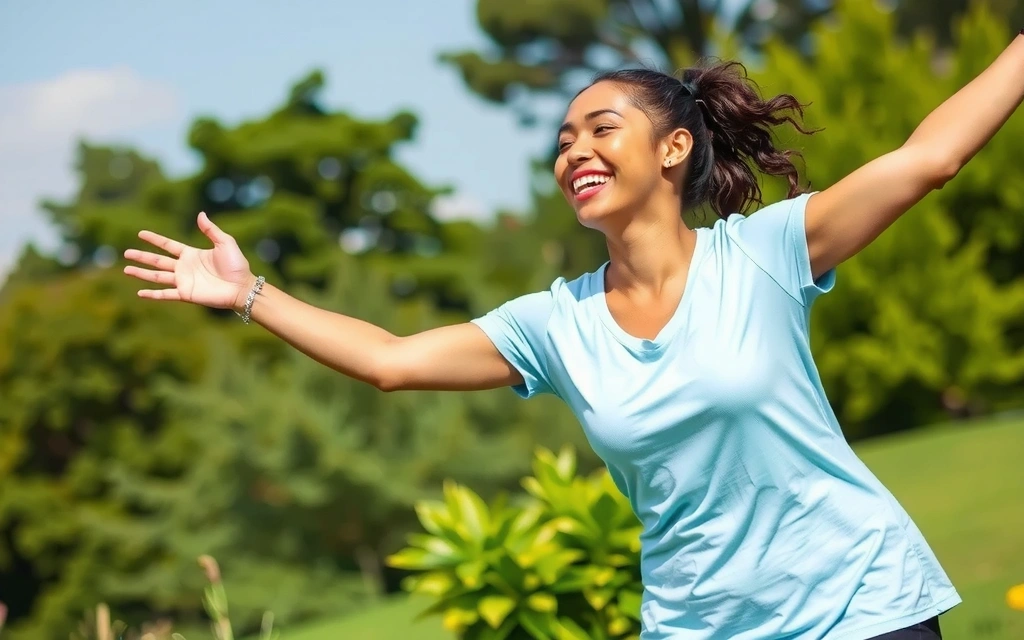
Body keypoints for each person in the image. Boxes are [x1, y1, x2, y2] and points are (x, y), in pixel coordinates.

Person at [124, 30, 1024, 639]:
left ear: (674, 150)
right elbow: (392, 362)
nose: (574, 152)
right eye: (562, 141)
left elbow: (929, 158)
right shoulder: (555, 323)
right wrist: (251, 296)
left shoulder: (764, 252)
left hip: (861, 607)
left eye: (601, 129)